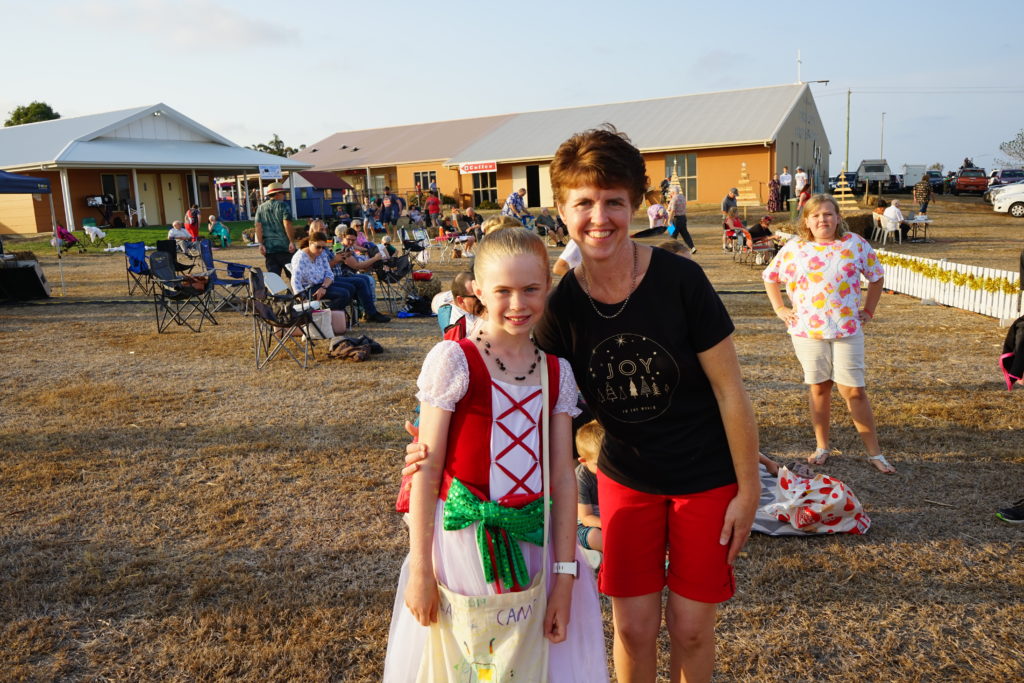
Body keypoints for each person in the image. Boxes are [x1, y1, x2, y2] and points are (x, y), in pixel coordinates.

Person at [383, 227, 608, 682]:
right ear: (478, 291)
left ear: (547, 286)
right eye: (503, 291)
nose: (518, 303)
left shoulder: (556, 372)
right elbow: (427, 469)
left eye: (531, 289)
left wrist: (564, 577)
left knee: (530, 661)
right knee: (465, 661)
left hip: (535, 540)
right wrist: (422, 569)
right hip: (462, 543)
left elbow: (563, 478)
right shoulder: (454, 360)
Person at [762, 194, 896, 475]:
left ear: (837, 218)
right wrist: (779, 308)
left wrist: (869, 311)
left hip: (847, 329)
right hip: (807, 331)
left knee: (854, 390)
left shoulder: (855, 244)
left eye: (827, 214)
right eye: (815, 215)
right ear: (807, 221)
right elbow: (770, 277)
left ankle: (875, 453)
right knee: (819, 387)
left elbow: (876, 276)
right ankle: (822, 447)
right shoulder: (795, 247)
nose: (822, 220)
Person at [288, 230, 352, 333]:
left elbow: (329, 274)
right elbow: (295, 281)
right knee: (344, 294)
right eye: (318, 247)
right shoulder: (300, 258)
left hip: (321, 284)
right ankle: (323, 318)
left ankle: (328, 317)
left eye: (323, 247)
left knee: (350, 287)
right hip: (308, 289)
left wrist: (324, 287)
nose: (321, 250)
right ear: (310, 243)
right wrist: (303, 300)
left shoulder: (321, 254)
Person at [331, 227, 392, 323]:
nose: (351, 242)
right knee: (364, 280)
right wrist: (375, 259)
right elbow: (356, 266)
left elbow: (358, 265)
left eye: (353, 240)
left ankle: (369, 311)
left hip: (349, 275)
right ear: (343, 237)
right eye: (348, 239)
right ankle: (370, 313)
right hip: (341, 276)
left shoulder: (349, 247)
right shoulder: (339, 248)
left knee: (366, 279)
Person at [254, 182, 296, 276]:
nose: (284, 195)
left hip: (269, 248)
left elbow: (258, 226)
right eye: (283, 193)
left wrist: (261, 244)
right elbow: (287, 223)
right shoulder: (283, 205)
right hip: (284, 247)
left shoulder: (260, 208)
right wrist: (291, 241)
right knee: (292, 275)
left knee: (273, 277)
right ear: (277, 194)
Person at [575, 419, 604, 554]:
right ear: (584, 461)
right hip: (585, 525)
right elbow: (586, 517)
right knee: (594, 536)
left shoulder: (615, 470)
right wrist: (610, 525)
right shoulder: (581, 478)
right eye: (599, 464)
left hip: (613, 522)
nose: (606, 468)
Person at [666, 187, 695, 253]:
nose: (670, 194)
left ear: (673, 192)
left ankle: (672, 250)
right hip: (683, 217)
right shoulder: (682, 197)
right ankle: (692, 247)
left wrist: (669, 220)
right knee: (685, 234)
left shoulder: (674, 199)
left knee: (673, 235)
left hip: (676, 219)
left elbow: (672, 210)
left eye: (670, 192)